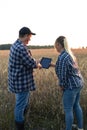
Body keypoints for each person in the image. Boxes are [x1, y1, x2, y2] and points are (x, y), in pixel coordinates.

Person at [8, 27, 41, 130]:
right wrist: (38, 64)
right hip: (22, 83)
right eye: (30, 37)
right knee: (20, 106)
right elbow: (31, 63)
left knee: (22, 103)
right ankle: (20, 127)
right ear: (26, 35)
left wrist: (36, 61)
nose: (30, 39)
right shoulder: (21, 48)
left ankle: (21, 121)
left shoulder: (15, 45)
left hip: (16, 81)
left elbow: (26, 61)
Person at [51, 36, 84, 130]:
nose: (55, 47)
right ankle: (80, 128)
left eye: (55, 45)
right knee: (76, 105)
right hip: (78, 83)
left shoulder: (62, 57)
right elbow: (66, 68)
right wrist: (52, 65)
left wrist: (61, 85)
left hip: (71, 86)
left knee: (68, 109)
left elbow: (62, 75)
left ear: (58, 44)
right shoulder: (69, 54)